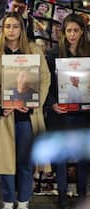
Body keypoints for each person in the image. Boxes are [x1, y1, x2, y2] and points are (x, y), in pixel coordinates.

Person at [0, 12, 50, 209]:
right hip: (4, 117)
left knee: (26, 163)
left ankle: (23, 201)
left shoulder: (34, 51)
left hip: (27, 117)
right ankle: (8, 201)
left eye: (15, 26)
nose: (11, 30)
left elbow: (45, 79)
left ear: (22, 28)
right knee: (5, 164)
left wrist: (36, 102)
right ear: (3, 29)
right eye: (7, 26)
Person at [45, 14, 90, 209]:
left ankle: (82, 193)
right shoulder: (53, 53)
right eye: (69, 30)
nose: (72, 35)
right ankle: (62, 194)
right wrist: (52, 103)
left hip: (83, 113)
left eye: (76, 30)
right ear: (63, 33)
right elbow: (45, 84)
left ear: (82, 32)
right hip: (60, 113)